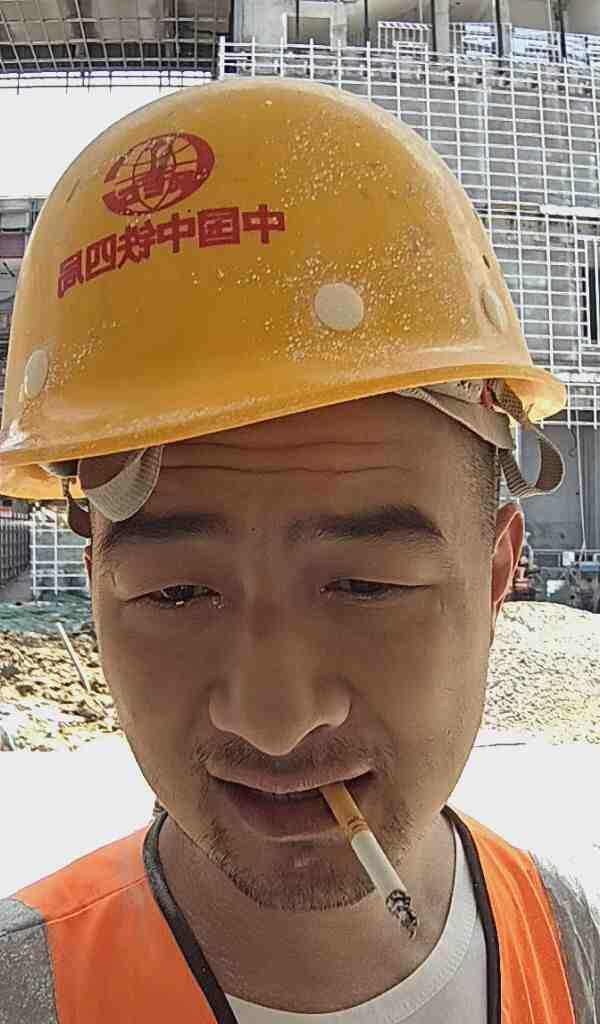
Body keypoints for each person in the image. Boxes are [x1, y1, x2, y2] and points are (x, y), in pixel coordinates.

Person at [0, 79, 598, 1023]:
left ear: (495, 577)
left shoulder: (572, 947)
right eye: (175, 594)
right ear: (98, 591)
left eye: (365, 586)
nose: (274, 721)